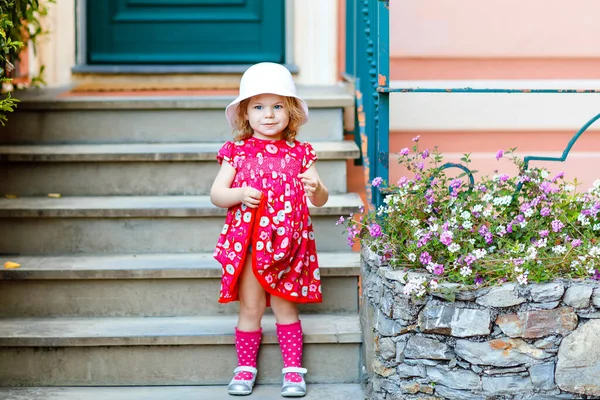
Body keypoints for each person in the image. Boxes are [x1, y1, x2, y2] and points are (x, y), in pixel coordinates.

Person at [210, 62, 329, 397]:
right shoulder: (236, 152)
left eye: (278, 106)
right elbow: (217, 194)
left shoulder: (301, 153)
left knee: (285, 306)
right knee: (250, 307)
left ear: (290, 113)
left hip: (288, 245)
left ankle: (293, 371)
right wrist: (237, 194)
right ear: (245, 114)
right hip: (250, 243)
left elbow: (320, 198)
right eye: (259, 107)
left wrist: (316, 188)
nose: (269, 114)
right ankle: (245, 368)